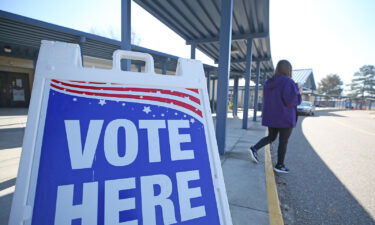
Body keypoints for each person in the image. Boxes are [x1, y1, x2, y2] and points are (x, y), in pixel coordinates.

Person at [249, 60, 301, 174]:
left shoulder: (269, 83)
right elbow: (291, 101)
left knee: (271, 137)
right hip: (285, 117)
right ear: (288, 69)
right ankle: (280, 165)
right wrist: (297, 91)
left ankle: (254, 148)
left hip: (272, 116)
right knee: (283, 141)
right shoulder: (289, 82)